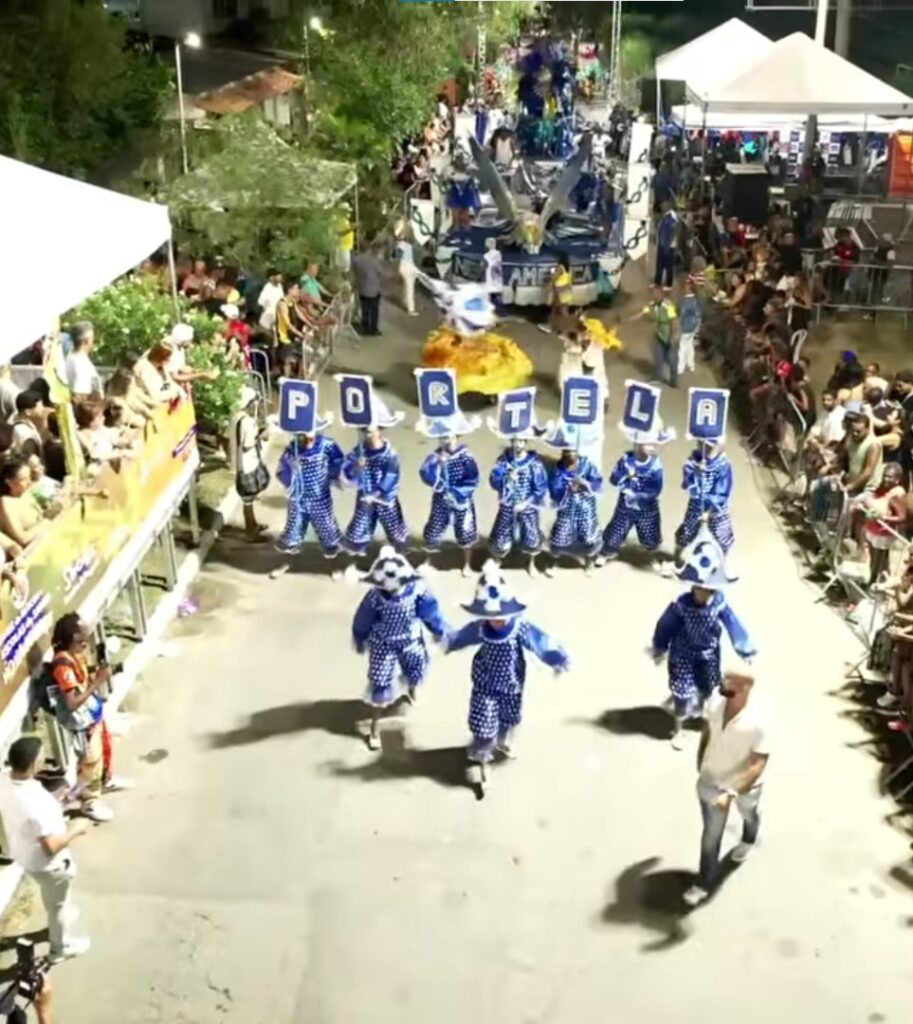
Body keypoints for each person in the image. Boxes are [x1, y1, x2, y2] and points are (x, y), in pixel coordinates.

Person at [444, 561, 569, 774]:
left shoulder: (520, 627)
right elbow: (463, 636)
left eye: (500, 617)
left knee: (509, 716)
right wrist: (449, 642)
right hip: (485, 683)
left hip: (512, 683)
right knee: (483, 722)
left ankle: (503, 740)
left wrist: (557, 657)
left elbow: (540, 642)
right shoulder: (481, 628)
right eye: (490, 618)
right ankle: (483, 756)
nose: (496, 621)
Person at [651, 535, 756, 749]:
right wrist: (660, 647)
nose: (707, 594)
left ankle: (704, 714)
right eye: (702, 589)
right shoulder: (681, 605)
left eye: (711, 590)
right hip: (683, 653)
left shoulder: (719, 603)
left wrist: (745, 649)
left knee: (708, 687)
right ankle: (678, 729)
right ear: (694, 586)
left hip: (709, 654)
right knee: (682, 692)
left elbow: (733, 624)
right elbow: (666, 625)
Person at [0, 737, 92, 962]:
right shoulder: (35, 802)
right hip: (50, 864)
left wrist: (55, 802)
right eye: (41, 757)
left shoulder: (5, 781)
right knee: (58, 905)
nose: (44, 760)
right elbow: (50, 847)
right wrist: (76, 829)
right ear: (33, 764)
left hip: (24, 855)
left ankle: (60, 917)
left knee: (54, 897)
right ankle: (60, 948)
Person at [684, 667, 769, 907]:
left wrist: (732, 792)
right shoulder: (714, 702)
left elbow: (757, 765)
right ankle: (703, 883)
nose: (724, 681)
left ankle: (749, 837)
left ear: (744, 688)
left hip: (744, 787)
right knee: (711, 836)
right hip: (711, 782)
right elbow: (707, 729)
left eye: (730, 680)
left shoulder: (759, 721)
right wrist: (701, 757)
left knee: (748, 812)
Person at [351, 546, 448, 749]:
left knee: (416, 666)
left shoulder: (418, 590)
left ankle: (412, 689)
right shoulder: (375, 597)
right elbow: (363, 618)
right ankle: (375, 727)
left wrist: (440, 631)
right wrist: (359, 637)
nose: (392, 588)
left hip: (411, 639)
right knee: (380, 681)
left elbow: (430, 613)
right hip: (383, 643)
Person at [49, 613, 132, 822]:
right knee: (90, 761)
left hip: (93, 713)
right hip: (82, 721)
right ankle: (89, 802)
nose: (85, 643)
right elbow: (72, 702)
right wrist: (98, 682)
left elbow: (82, 678)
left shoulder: (75, 655)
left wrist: (99, 672)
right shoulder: (62, 665)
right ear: (70, 638)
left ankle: (106, 779)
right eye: (81, 640)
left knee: (106, 747)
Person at [599, 419, 674, 568]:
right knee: (617, 530)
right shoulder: (626, 461)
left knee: (650, 534)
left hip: (647, 507)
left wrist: (640, 496)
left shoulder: (655, 466)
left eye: (654, 444)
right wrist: (624, 476)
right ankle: (606, 552)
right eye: (648, 444)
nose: (652, 448)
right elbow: (614, 479)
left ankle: (652, 556)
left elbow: (656, 488)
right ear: (638, 443)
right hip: (626, 505)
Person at [417, 405, 481, 577]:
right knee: (434, 529)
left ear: (457, 436)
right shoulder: (435, 457)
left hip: (461, 500)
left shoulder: (465, 457)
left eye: (449, 436)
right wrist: (437, 470)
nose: (446, 440)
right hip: (441, 499)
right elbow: (424, 473)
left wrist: (459, 494)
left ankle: (467, 564)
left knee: (466, 531)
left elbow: (473, 479)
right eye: (443, 437)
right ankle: (428, 560)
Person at [341, 399, 409, 556]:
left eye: (372, 430)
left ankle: (400, 554)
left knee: (394, 527)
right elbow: (347, 471)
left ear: (379, 430)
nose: (368, 433)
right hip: (365, 497)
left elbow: (391, 476)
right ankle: (355, 555)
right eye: (365, 430)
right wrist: (356, 467)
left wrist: (377, 493)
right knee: (360, 525)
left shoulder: (389, 454)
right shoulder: (359, 452)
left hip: (385, 498)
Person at [275, 410, 344, 560]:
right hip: (298, 496)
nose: (307, 442)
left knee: (325, 523)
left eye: (310, 438)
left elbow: (339, 462)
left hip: (320, 496)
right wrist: (292, 470)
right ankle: (291, 546)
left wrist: (339, 473)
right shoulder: (292, 451)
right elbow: (281, 471)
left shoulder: (326, 446)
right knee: (295, 523)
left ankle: (331, 548)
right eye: (303, 438)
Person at [543, 425, 603, 572]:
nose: (571, 454)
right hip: (566, 507)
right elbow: (554, 487)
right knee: (560, 534)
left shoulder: (587, 466)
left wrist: (585, 485)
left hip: (585, 506)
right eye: (567, 451)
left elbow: (597, 482)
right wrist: (566, 489)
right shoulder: (558, 470)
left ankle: (589, 561)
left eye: (573, 451)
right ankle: (554, 561)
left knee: (588, 534)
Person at [488, 429, 548, 577]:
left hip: (527, 505)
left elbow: (540, 488)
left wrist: (526, 503)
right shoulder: (503, 461)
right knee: (501, 533)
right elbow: (494, 482)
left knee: (531, 535)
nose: (518, 444)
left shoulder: (534, 464)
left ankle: (531, 563)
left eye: (521, 441)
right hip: (508, 504)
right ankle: (497, 560)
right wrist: (505, 477)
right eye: (515, 441)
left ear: (526, 442)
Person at [673, 440, 734, 562]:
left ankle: (721, 561)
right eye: (702, 444)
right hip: (697, 504)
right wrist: (696, 474)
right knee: (688, 530)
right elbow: (687, 483)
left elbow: (723, 490)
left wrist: (711, 508)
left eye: (712, 446)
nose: (706, 449)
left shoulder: (723, 465)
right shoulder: (693, 461)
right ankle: (677, 558)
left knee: (721, 533)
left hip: (717, 508)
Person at [230, 387, 270, 543]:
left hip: (239, 463)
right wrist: (261, 435)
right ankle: (250, 532)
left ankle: (253, 525)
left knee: (249, 498)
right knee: (248, 499)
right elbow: (247, 445)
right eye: (254, 402)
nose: (256, 405)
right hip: (248, 463)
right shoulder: (248, 422)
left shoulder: (236, 417)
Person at [632, 286, 679, 389]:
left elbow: (674, 322)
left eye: (657, 293)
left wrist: (672, 336)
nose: (655, 296)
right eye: (653, 293)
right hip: (659, 334)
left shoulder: (668, 306)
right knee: (658, 357)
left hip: (670, 334)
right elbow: (640, 314)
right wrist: (625, 320)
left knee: (671, 359)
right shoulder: (651, 305)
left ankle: (674, 380)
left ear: (662, 294)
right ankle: (659, 378)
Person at [0, 456, 51, 547]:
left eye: (29, 477)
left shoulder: (26, 495)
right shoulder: (6, 503)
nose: (29, 482)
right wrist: (46, 523)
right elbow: (22, 539)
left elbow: (41, 518)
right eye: (23, 479)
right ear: (9, 482)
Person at [63, 322, 102, 398]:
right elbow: (80, 396)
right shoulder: (81, 364)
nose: (93, 343)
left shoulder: (70, 357)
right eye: (92, 339)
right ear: (86, 341)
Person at [352, 244, 383, 336]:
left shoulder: (356, 260)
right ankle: (373, 329)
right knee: (374, 310)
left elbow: (354, 274)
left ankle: (365, 328)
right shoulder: (374, 260)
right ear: (368, 250)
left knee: (364, 309)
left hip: (362, 289)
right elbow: (380, 272)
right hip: (374, 289)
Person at [11, 389, 47, 458]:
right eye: (40, 407)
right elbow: (30, 458)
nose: (43, 409)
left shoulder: (25, 425)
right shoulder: (25, 433)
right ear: (28, 412)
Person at [676, 278, 701, 377]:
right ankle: (691, 365)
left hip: (686, 326)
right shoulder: (696, 300)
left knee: (682, 347)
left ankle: (680, 367)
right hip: (693, 326)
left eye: (685, 287)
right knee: (690, 346)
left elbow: (680, 314)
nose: (683, 289)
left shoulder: (685, 301)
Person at [395, 227, 419, 317]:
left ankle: (404, 301)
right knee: (410, 289)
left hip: (407, 268)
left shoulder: (404, 245)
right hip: (408, 269)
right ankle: (410, 309)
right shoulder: (405, 245)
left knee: (406, 287)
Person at [655, 200, 679, 288]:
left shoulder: (672, 216)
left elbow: (674, 231)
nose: (662, 206)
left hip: (669, 245)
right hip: (661, 243)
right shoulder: (663, 215)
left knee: (668, 265)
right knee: (659, 264)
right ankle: (657, 282)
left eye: (663, 204)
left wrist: (668, 244)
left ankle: (669, 284)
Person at [257, 268, 284, 336]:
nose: (280, 276)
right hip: (268, 318)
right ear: (271, 277)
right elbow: (260, 304)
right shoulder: (267, 289)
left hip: (278, 318)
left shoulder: (280, 287)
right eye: (277, 275)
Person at [483, 237, 504, 315]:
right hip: (497, 279)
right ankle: (500, 311)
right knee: (498, 296)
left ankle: (497, 311)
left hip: (491, 279)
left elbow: (485, 265)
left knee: (493, 297)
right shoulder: (499, 254)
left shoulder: (487, 255)